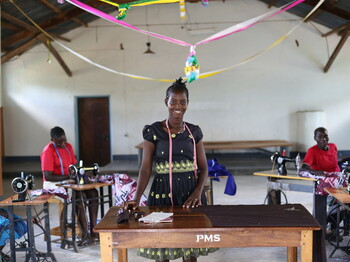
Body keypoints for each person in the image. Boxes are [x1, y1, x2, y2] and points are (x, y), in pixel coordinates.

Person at [124, 78, 217, 262]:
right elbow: (145, 169)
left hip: (190, 195)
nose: (178, 106)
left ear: (187, 104)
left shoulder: (194, 131)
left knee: (190, 250)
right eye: (173, 101)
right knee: (163, 246)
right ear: (165, 102)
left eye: (182, 102)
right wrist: (136, 199)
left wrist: (198, 193)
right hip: (162, 193)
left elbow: (204, 167)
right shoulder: (153, 131)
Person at [40, 126, 99, 245]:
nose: (63, 144)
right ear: (52, 140)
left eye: (64, 140)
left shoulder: (68, 147)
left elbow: (73, 167)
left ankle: (93, 230)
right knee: (79, 195)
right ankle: (84, 234)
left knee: (93, 193)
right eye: (59, 142)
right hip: (52, 183)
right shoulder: (48, 151)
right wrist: (69, 177)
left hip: (68, 180)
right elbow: (48, 176)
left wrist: (82, 173)